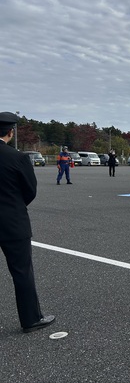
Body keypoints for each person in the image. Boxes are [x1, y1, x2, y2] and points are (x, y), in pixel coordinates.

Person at [0, 112, 55, 333]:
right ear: (10, 132)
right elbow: (30, 190)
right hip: (12, 221)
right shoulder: (17, 158)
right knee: (21, 271)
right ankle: (30, 319)